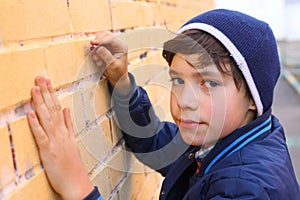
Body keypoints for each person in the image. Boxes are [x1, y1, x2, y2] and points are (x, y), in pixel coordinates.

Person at [27, 9, 300, 199]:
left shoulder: (248, 189)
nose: (184, 102)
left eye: (210, 84)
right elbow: (156, 141)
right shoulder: (223, 139)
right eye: (178, 80)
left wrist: (78, 187)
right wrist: (122, 83)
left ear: (254, 97)